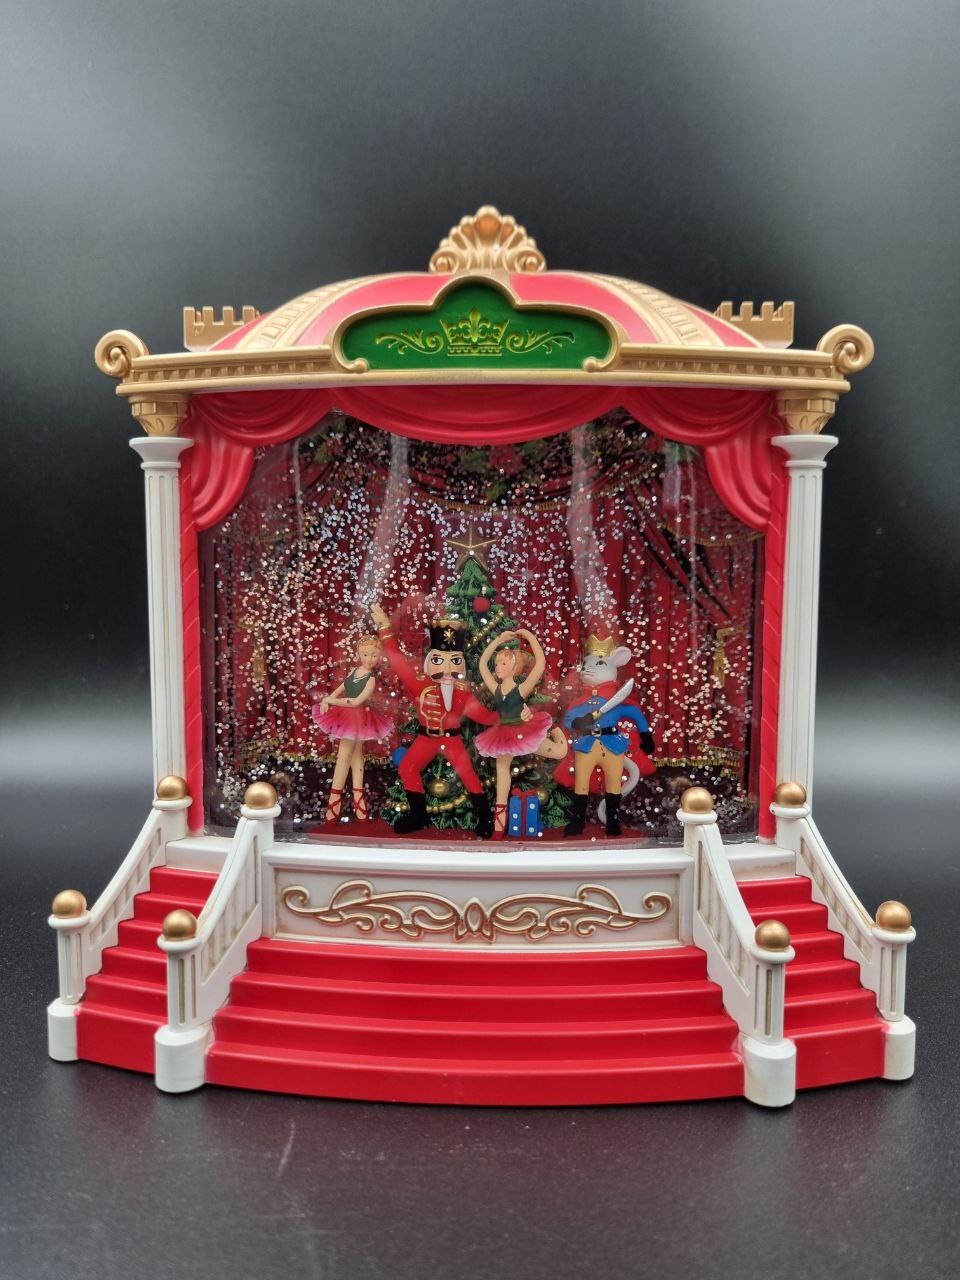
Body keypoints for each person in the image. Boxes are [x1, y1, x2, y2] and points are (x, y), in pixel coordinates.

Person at [371, 603, 498, 837]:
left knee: (468, 774)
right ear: (431, 661)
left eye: (454, 661)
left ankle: (484, 818)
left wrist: (509, 716)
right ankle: (418, 816)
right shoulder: (420, 684)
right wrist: (385, 628)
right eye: (440, 661)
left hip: (452, 741)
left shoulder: (462, 692)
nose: (447, 669)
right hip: (426, 739)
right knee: (408, 767)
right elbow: (398, 663)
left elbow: (483, 715)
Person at [474, 629, 567, 837]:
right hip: (503, 735)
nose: (498, 667)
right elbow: (482, 665)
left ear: (514, 667)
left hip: (524, 732)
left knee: (560, 752)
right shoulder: (496, 689)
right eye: (497, 664)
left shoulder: (521, 689)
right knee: (502, 774)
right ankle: (499, 826)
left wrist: (530, 636)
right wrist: (498, 639)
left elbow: (540, 665)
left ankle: (555, 729)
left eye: (503, 663)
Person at [312, 634, 392, 823]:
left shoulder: (371, 679)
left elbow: (355, 701)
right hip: (346, 716)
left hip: (357, 717)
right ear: (358, 654)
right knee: (356, 755)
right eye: (365, 654)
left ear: (379, 656)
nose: (370, 659)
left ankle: (334, 799)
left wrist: (331, 700)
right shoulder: (355, 670)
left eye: (374, 655)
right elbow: (342, 687)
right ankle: (358, 796)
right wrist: (328, 698)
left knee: (344, 757)